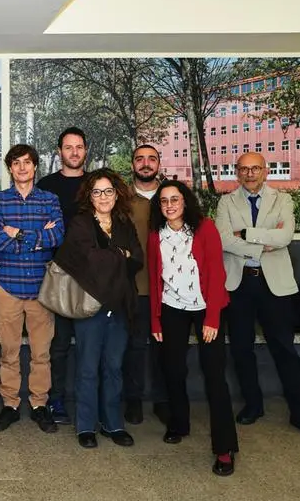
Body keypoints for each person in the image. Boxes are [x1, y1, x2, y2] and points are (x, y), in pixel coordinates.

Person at [216, 152, 300, 440]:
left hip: (274, 285)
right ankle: (253, 405)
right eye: (244, 169)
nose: (250, 173)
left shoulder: (282, 199)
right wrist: (262, 241)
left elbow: (285, 236)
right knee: (241, 349)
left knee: (284, 349)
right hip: (239, 284)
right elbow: (223, 239)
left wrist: (245, 233)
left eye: (255, 168)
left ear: (265, 171)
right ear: (237, 172)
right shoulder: (226, 202)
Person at [148, 180, 238, 476]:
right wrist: (156, 319)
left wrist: (212, 318)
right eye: (164, 201)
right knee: (173, 369)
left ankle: (224, 448)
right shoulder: (156, 233)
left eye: (175, 199)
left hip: (206, 306)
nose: (169, 205)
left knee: (214, 376)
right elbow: (154, 278)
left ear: (185, 201)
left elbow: (217, 273)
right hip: (171, 308)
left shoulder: (204, 228)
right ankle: (179, 423)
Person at [53, 168, 142, 449]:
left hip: (120, 305)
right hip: (91, 306)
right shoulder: (81, 224)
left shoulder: (124, 223)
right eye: (97, 192)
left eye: (108, 191)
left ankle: (113, 423)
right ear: (89, 196)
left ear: (117, 194)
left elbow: (137, 259)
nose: (103, 197)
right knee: (88, 368)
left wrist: (111, 258)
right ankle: (86, 426)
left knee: (113, 367)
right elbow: (87, 260)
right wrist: (120, 255)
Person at [0, 144, 64, 434]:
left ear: (35, 167)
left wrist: (17, 233)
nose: (22, 167)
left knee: (41, 353)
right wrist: (37, 237)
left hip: (41, 288)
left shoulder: (49, 199)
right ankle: (10, 405)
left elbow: (57, 237)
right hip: (7, 286)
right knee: (8, 352)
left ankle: (39, 405)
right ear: (10, 168)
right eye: (16, 163)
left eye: (27, 162)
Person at [37, 126, 88, 425]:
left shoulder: (96, 185)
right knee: (58, 345)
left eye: (79, 147)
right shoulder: (46, 186)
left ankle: (88, 402)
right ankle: (56, 400)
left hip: (92, 278)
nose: (74, 152)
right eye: (68, 147)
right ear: (59, 152)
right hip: (57, 276)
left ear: (85, 150)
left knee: (89, 345)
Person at [125, 144, 169, 425]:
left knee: (164, 347)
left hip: (171, 289)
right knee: (135, 346)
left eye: (151, 159)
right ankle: (134, 399)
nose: (145, 163)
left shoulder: (172, 196)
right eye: (140, 159)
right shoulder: (122, 200)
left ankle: (163, 400)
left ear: (158, 165)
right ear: (133, 165)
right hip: (136, 287)